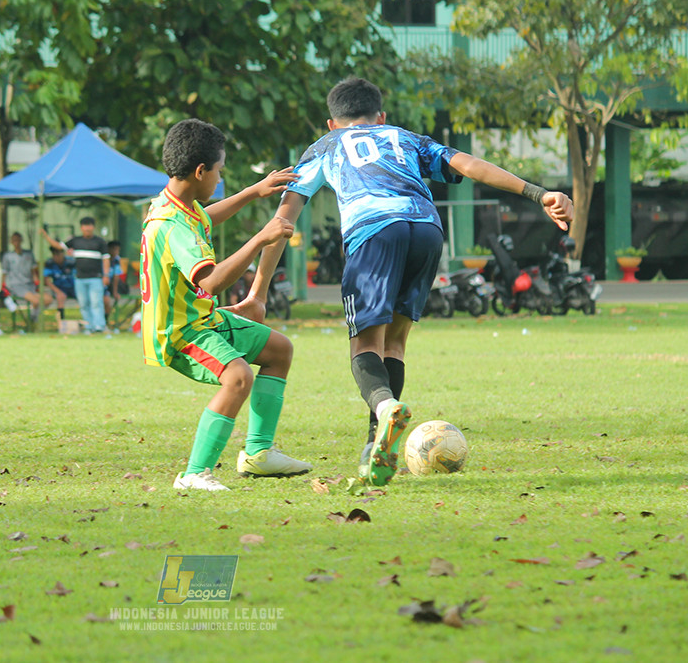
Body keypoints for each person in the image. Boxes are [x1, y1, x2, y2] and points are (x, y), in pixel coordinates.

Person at [263, 77, 572, 487]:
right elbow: (468, 164)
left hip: (373, 230)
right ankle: (376, 445)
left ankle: (385, 409)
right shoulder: (404, 137)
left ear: (332, 123)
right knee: (395, 343)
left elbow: (282, 221)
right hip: (426, 228)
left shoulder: (326, 145)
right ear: (381, 117)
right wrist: (537, 193)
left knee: (364, 345)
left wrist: (258, 291)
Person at [141, 117, 312, 491]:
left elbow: (207, 219)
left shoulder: (176, 204)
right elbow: (212, 281)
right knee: (238, 377)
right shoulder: (171, 224)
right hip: (180, 332)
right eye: (219, 171)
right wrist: (260, 239)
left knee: (279, 350)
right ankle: (194, 474)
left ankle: (259, 454)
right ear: (200, 171)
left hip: (202, 319)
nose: (220, 179)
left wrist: (254, 191)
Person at [42, 217, 109, 333]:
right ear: (81, 227)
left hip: (95, 278)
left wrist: (106, 275)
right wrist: (46, 236)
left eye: (89, 226)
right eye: (85, 226)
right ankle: (88, 326)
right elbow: (58, 246)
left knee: (96, 303)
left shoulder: (100, 242)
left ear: (93, 227)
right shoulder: (75, 241)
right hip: (79, 278)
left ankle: (99, 326)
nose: (87, 228)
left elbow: (106, 259)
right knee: (83, 304)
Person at [1, 231, 52, 324]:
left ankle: (33, 317)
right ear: (11, 242)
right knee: (36, 301)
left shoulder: (28, 254)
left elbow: (33, 270)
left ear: (21, 241)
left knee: (48, 299)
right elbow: (4, 272)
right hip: (16, 286)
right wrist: (4, 287)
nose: (16, 242)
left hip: (29, 285)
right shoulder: (8, 256)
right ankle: (31, 321)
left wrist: (37, 281)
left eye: (18, 240)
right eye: (14, 240)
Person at [43, 246, 76, 321]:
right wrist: (58, 291)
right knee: (60, 297)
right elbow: (46, 280)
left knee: (83, 297)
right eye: (54, 254)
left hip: (72, 287)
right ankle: (61, 321)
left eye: (58, 253)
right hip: (60, 287)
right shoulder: (50, 263)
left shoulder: (71, 262)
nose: (56, 256)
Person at [104, 240, 126, 316]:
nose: (116, 252)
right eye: (114, 249)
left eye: (118, 250)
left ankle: (106, 319)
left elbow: (116, 277)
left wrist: (115, 292)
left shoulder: (116, 260)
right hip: (102, 285)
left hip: (110, 285)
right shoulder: (103, 258)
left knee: (107, 302)